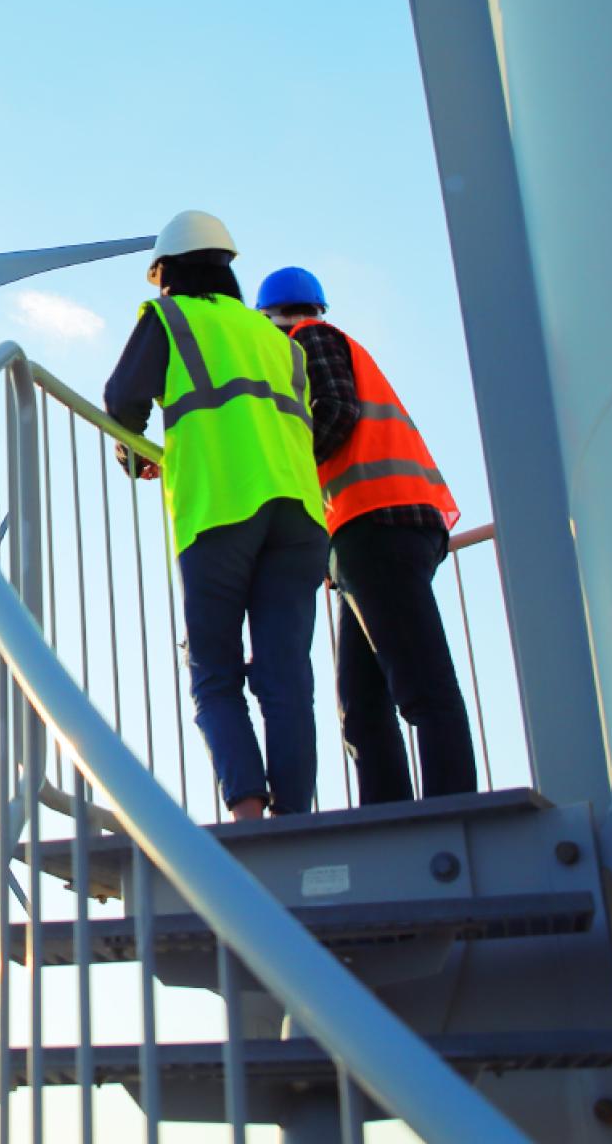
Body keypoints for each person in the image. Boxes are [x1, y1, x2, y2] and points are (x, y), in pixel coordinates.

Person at [103, 214, 329, 820]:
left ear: (168, 271)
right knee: (287, 677)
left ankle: (249, 811)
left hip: (220, 510)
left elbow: (122, 399)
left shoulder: (170, 317)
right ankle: (295, 817)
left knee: (215, 673)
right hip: (301, 515)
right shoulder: (278, 341)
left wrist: (133, 455)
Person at [257, 266, 479, 804]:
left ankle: (452, 812)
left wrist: (281, 477)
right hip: (375, 531)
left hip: (376, 524)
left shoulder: (308, 340)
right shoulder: (328, 341)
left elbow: (334, 413)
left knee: (421, 687)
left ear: (270, 318)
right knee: (361, 703)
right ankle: (390, 816)